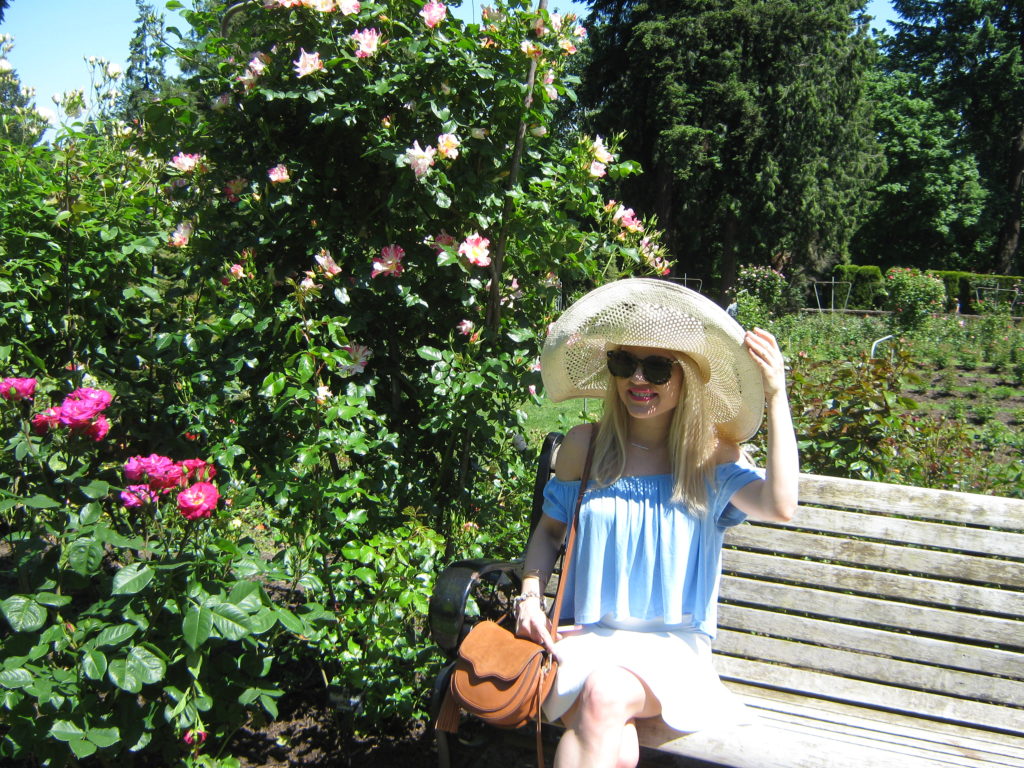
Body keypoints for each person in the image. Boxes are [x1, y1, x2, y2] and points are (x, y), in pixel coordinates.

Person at [515, 278, 798, 768]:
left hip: (673, 647)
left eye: (657, 367)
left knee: (601, 698)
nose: (637, 380)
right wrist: (529, 597)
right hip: (587, 637)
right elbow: (549, 531)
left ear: (686, 376)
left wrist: (776, 396)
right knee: (615, 743)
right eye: (624, 364)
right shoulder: (587, 446)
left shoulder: (708, 456)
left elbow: (779, 505)